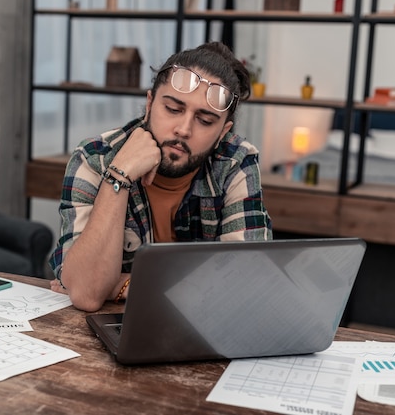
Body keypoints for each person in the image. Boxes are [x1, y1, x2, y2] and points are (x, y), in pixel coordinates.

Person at [49, 41, 272, 312]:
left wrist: (122, 284)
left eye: (205, 120)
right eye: (173, 109)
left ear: (222, 133)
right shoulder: (94, 157)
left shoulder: (236, 162)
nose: (183, 129)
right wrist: (118, 175)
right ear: (150, 103)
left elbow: (246, 287)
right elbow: (87, 293)